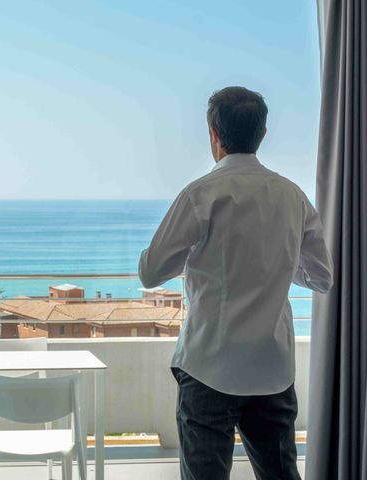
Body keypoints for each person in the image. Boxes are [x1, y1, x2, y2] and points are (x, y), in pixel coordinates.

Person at [139, 86, 333, 479]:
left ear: (213, 132)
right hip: (271, 368)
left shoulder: (200, 195)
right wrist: (280, 260)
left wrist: (192, 257)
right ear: (262, 134)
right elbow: (322, 277)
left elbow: (151, 271)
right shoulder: (292, 197)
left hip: (209, 364)